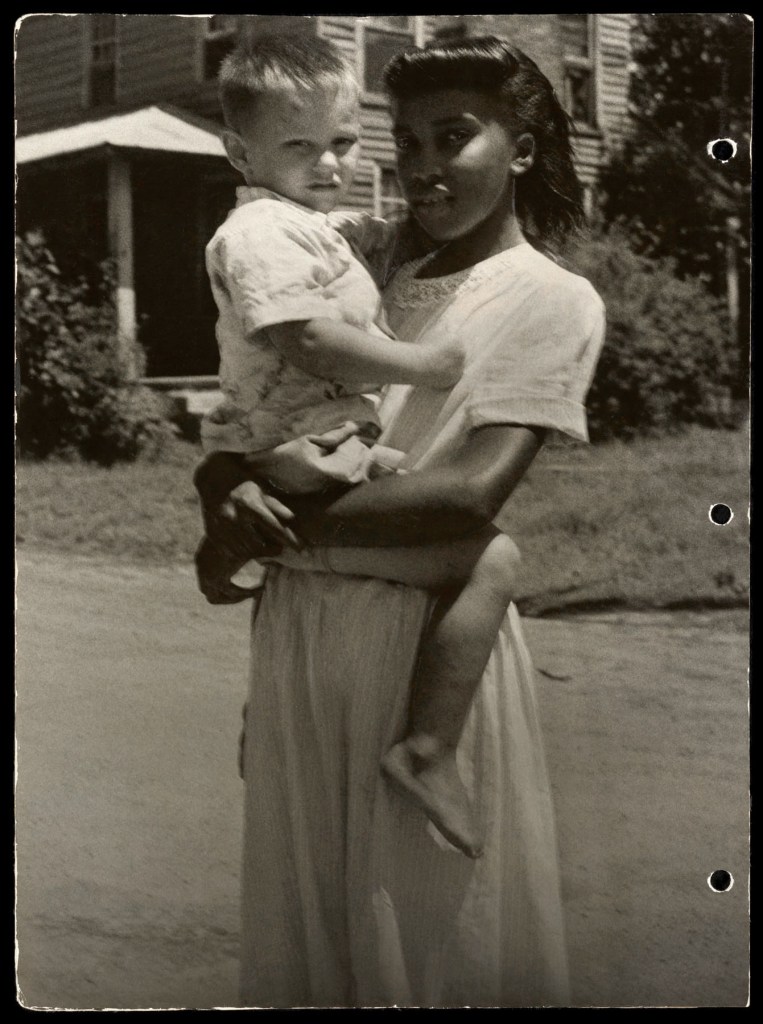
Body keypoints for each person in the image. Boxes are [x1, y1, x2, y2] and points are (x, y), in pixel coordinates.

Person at [195, 35, 606, 1008]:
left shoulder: (552, 299)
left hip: (423, 644)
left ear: (525, 150)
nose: (420, 165)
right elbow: (260, 389)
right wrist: (223, 487)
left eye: (453, 137)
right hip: (300, 639)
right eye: (407, 140)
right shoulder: (351, 256)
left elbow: (469, 494)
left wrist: (278, 525)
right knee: (311, 933)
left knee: (426, 947)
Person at [197, 33, 531, 858]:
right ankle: (427, 749)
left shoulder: (302, 223)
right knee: (489, 560)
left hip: (309, 438)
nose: (330, 165)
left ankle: (261, 702)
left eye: (344, 142)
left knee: (307, 552)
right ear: (240, 152)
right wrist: (424, 361)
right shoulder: (258, 235)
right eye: (299, 147)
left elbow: (372, 244)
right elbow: (308, 339)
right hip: (301, 443)